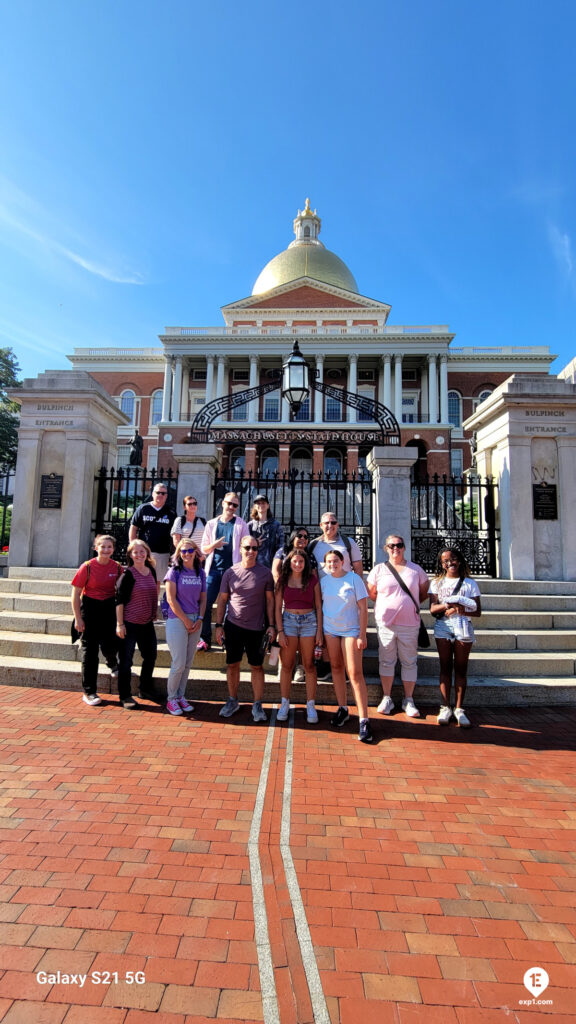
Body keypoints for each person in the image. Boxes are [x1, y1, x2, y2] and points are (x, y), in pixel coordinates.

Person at [366, 534, 430, 719]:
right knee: (386, 659)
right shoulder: (379, 570)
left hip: (409, 624)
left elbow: (423, 592)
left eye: (399, 545)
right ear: (386, 548)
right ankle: (387, 697)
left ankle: (408, 699)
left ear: (404, 547)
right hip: (386, 623)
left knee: (409, 660)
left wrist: (405, 606)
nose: (396, 548)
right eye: (391, 545)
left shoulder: (415, 569)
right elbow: (372, 593)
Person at [215, 538, 275, 722]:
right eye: (247, 547)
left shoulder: (265, 573)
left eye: (254, 548)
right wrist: (218, 626)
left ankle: (257, 704)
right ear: (240, 549)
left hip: (257, 628)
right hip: (233, 626)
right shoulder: (230, 572)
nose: (251, 551)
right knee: (232, 664)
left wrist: (271, 625)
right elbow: (223, 600)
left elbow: (271, 601)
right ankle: (233, 700)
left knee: (256, 666)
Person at [321, 549, 373, 743]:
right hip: (330, 629)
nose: (332, 564)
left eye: (335, 561)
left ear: (343, 562)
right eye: (329, 561)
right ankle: (342, 708)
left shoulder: (354, 579)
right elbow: (321, 606)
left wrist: (362, 634)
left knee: (354, 672)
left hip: (351, 630)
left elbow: (363, 608)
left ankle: (364, 719)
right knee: (336, 667)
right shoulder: (324, 582)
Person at [429, 547, 482, 728]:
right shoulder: (437, 583)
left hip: (463, 626)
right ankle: (445, 707)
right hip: (443, 626)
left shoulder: (470, 584)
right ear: (441, 564)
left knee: (460, 668)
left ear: (459, 560)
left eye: (452, 559)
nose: (449, 563)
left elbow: (478, 611)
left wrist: (461, 609)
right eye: (445, 561)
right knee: (445, 667)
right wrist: (448, 605)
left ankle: (459, 709)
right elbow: (432, 609)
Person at [71, 534, 122, 706]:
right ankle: (89, 691)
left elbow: (122, 591)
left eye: (109, 547)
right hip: (90, 608)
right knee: (90, 651)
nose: (106, 550)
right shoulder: (87, 567)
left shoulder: (117, 567)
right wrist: (78, 618)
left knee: (110, 643)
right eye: (103, 546)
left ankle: (113, 663)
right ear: (96, 548)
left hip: (108, 608)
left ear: (113, 549)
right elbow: (76, 595)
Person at [275, 549, 323, 723]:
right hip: (288, 621)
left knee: (309, 664)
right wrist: (280, 631)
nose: (297, 564)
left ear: (305, 563)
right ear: (289, 562)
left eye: (301, 562)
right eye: (294, 561)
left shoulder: (312, 580)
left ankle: (311, 704)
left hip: (309, 621)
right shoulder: (282, 580)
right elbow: (277, 607)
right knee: (287, 665)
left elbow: (318, 606)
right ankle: (284, 702)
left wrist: (319, 630)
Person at [198, 492, 249, 651]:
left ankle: (228, 639)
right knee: (205, 604)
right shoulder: (212, 524)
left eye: (235, 505)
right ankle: (205, 638)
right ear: (223, 503)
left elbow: (246, 546)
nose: (231, 507)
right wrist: (214, 545)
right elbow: (203, 549)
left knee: (232, 607)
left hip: (233, 571)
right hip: (213, 570)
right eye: (229, 503)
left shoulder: (241, 524)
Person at [163, 539, 206, 716]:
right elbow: (171, 600)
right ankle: (171, 698)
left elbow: (203, 598)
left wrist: (201, 618)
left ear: (196, 552)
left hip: (195, 618)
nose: (186, 554)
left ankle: (181, 695)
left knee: (188, 663)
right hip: (177, 620)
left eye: (190, 551)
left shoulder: (200, 572)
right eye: (183, 551)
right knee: (179, 662)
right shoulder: (174, 572)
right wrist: (185, 620)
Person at [116, 540, 158, 709]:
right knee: (126, 662)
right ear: (130, 555)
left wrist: (154, 611)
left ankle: (145, 689)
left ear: (147, 553)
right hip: (130, 623)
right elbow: (119, 601)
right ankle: (125, 696)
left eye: (142, 551)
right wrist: (120, 624)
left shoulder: (151, 571)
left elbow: (154, 591)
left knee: (150, 656)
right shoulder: (128, 575)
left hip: (147, 623)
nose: (139, 555)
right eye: (135, 552)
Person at [129, 483, 176, 584]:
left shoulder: (171, 512)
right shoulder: (143, 508)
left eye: (163, 493)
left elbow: (174, 535)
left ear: (166, 496)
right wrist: (133, 546)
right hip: (144, 552)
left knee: (157, 581)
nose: (160, 495)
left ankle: (154, 600)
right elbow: (133, 528)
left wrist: (173, 552)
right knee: (141, 579)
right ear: (153, 494)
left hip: (162, 553)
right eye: (158, 492)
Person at [309, 513, 364, 579]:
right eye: (326, 523)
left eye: (333, 523)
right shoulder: (313, 544)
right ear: (321, 525)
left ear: (337, 525)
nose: (330, 525)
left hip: (345, 586)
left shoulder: (349, 542)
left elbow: (358, 570)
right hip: (322, 587)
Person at [248, 494, 284, 569]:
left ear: (268, 505)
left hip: (271, 567)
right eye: (258, 503)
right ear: (255, 506)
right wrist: (255, 543)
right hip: (253, 567)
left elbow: (281, 545)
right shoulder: (250, 526)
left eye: (263, 503)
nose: (261, 505)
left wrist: (277, 562)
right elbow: (244, 546)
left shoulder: (276, 525)